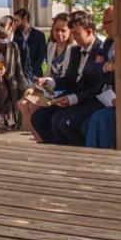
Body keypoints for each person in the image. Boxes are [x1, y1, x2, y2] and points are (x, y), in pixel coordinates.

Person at [31, 10, 111, 146]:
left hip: (93, 98)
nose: (73, 38)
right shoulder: (75, 50)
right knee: (38, 117)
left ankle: (79, 155)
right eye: (72, 33)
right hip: (76, 95)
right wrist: (51, 82)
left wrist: (72, 99)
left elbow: (96, 86)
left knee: (62, 123)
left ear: (89, 32)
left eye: (76, 34)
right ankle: (54, 150)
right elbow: (71, 79)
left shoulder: (101, 50)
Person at [19, 14, 75, 143]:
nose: (59, 34)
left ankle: (43, 140)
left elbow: (68, 79)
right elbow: (48, 72)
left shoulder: (73, 48)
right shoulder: (51, 46)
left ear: (70, 31)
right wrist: (36, 87)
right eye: (56, 30)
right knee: (22, 104)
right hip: (49, 87)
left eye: (63, 30)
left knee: (33, 107)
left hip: (64, 89)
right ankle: (39, 139)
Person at [12, 8, 48, 80]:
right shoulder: (14, 36)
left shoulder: (39, 35)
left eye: (16, 20)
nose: (14, 23)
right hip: (18, 75)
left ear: (25, 19)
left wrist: (30, 72)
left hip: (35, 74)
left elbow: (41, 57)